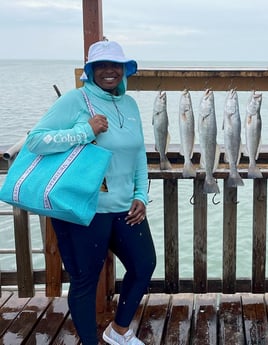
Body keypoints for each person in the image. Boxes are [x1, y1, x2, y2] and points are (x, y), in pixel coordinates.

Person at [26, 40, 156, 345]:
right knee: (85, 280)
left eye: (116, 65)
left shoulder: (131, 104)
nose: (109, 71)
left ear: (125, 70)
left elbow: (138, 154)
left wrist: (141, 194)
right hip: (82, 210)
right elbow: (35, 141)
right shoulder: (75, 101)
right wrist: (85, 131)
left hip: (125, 207)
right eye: (102, 65)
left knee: (144, 264)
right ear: (90, 70)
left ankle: (118, 331)